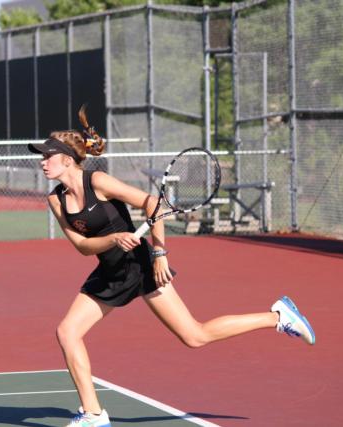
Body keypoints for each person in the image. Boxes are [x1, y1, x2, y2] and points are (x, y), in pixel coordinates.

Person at [28, 107, 315, 427]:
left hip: (141, 267)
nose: (42, 161)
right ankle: (93, 414)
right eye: (41, 156)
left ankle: (278, 316)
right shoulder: (56, 200)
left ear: (67, 159)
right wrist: (115, 239)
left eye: (47, 155)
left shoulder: (97, 180)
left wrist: (160, 253)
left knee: (195, 336)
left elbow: (153, 203)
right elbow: (82, 247)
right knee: (67, 332)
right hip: (110, 273)